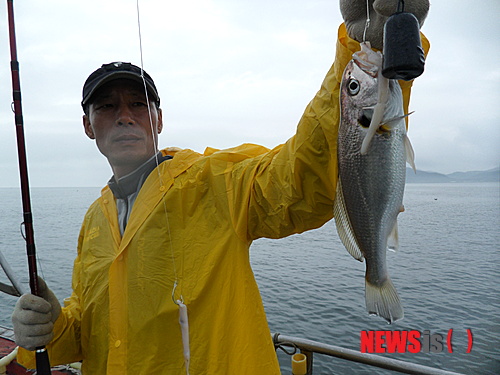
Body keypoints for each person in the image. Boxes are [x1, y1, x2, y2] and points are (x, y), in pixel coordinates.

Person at [12, 1, 430, 374]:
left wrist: (369, 51)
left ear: (158, 120)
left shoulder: (214, 181)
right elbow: (90, 335)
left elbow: (302, 178)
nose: (125, 116)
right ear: (88, 126)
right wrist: (51, 326)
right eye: (107, 107)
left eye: (138, 104)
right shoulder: (93, 223)